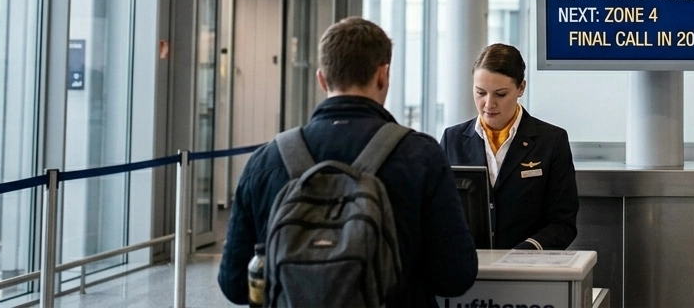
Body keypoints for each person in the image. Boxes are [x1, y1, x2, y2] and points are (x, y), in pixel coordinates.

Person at [218, 18, 477, 306]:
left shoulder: (267, 160)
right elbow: (455, 275)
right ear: (383, 75)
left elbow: (234, 283)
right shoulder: (420, 156)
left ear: (321, 79)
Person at [442, 43, 579, 250]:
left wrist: (526, 252)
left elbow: (563, 223)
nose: (488, 104)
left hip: (527, 271)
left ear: (521, 88)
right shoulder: (452, 139)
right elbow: (439, 210)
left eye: (500, 94)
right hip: (468, 269)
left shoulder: (551, 141)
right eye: (480, 92)